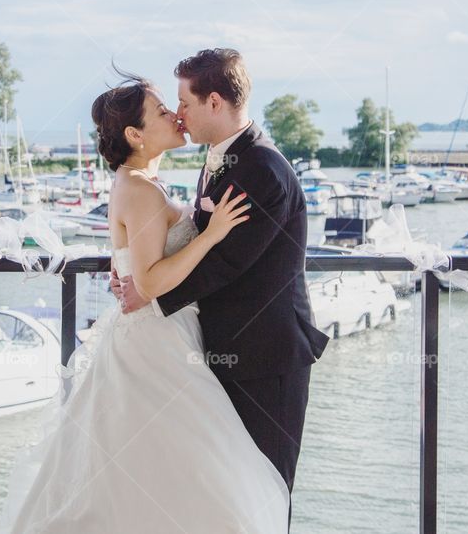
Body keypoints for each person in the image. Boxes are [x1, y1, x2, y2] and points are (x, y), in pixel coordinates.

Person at [0, 68, 290, 533]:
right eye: (161, 110)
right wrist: (210, 235)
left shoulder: (137, 182)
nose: (175, 115)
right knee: (194, 473)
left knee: (155, 468)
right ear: (135, 134)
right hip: (157, 341)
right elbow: (151, 284)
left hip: (162, 333)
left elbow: (140, 265)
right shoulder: (139, 189)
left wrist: (133, 265)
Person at [114, 48, 330, 515]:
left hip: (264, 356)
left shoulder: (263, 169)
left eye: (185, 103)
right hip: (221, 352)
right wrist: (136, 274)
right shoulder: (223, 157)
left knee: (264, 492)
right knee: (224, 494)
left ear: (215, 102)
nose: (179, 114)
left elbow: (227, 262)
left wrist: (148, 293)